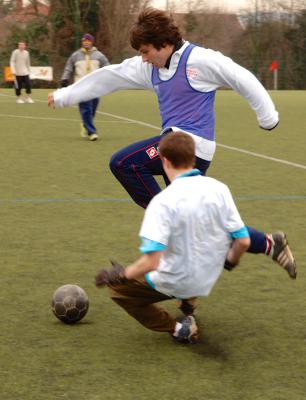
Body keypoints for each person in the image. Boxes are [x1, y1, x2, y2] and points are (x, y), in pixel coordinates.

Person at [48, 8, 296, 279]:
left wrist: (267, 116)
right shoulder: (149, 67)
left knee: (124, 164)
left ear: (164, 44)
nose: (142, 58)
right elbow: (110, 76)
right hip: (173, 148)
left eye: (145, 51)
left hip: (191, 146)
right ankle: (270, 243)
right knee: (193, 220)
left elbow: (241, 77)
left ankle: (169, 227)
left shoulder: (200, 60)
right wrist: (65, 96)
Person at [95, 132, 251, 343]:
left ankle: (178, 329)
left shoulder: (161, 202)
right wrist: (229, 263)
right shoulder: (220, 189)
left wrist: (122, 275)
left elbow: (152, 261)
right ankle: (188, 302)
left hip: (177, 279)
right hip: (208, 277)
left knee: (118, 291)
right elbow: (243, 241)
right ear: (194, 158)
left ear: (164, 160)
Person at [60, 33, 109, 141]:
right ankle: (92, 132)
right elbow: (68, 67)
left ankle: (85, 124)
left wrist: (108, 78)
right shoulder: (75, 55)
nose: (86, 42)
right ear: (82, 42)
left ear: (92, 42)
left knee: (93, 109)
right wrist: (65, 78)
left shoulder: (99, 55)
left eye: (88, 40)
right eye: (84, 41)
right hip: (81, 86)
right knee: (86, 108)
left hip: (96, 86)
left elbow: (107, 67)